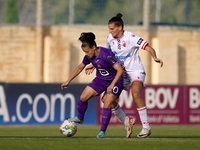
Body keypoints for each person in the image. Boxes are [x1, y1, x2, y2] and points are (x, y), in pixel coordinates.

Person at [85, 13, 163, 138]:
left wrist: (155, 57)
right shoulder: (109, 39)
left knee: (135, 93)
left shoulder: (130, 37)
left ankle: (146, 128)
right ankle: (127, 121)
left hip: (135, 71)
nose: (110, 31)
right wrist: (94, 65)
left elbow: (147, 47)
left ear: (120, 27)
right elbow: (107, 56)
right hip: (120, 73)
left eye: (112, 29)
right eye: (109, 29)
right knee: (106, 100)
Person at [61, 32, 124, 138]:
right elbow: (80, 67)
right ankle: (80, 118)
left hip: (116, 81)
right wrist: (68, 80)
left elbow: (120, 70)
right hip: (101, 80)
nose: (86, 54)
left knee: (107, 102)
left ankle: (102, 132)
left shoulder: (106, 54)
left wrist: (112, 84)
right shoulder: (89, 56)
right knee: (83, 97)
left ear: (94, 47)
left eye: (87, 51)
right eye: (84, 52)